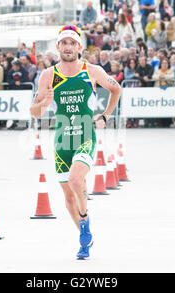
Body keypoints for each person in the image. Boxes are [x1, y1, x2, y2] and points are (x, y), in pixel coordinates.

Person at [29, 25, 121, 260]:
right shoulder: (48, 75)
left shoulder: (92, 70)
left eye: (72, 43)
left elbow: (115, 89)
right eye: (64, 43)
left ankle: (84, 219)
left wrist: (105, 117)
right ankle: (84, 233)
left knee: (75, 179)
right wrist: (43, 103)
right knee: (68, 197)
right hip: (61, 141)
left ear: (79, 47)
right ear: (58, 47)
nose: (68, 47)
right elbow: (34, 112)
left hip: (84, 135)